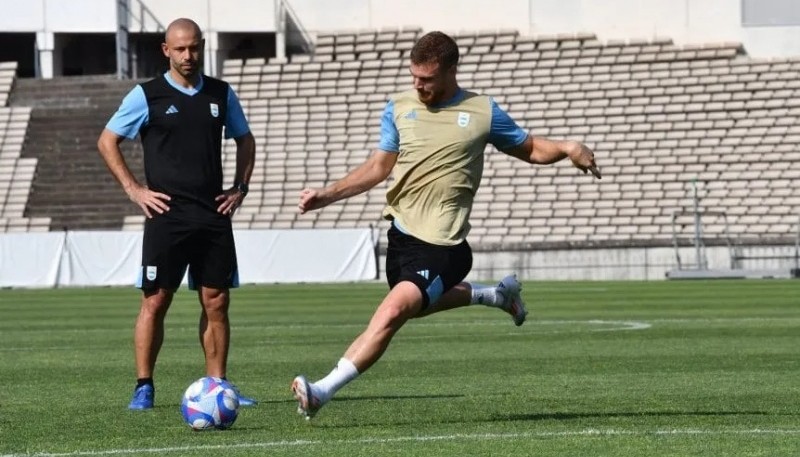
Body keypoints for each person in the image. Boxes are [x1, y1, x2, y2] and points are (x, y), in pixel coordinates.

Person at [291, 31, 601, 420]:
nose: (417, 85)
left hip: (445, 245)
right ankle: (494, 296)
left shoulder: (483, 111)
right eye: (413, 77)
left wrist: (570, 147)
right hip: (401, 235)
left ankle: (321, 390)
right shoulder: (399, 107)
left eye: (427, 79)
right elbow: (378, 167)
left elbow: (531, 148)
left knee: (392, 311)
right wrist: (327, 194)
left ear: (451, 71)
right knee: (412, 307)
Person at [97, 18, 258, 410]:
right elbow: (107, 141)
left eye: (195, 48)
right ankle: (144, 385)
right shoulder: (145, 95)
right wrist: (135, 190)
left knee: (216, 300)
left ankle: (218, 386)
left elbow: (245, 139)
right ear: (166, 50)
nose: (189, 56)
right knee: (155, 300)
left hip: (212, 213)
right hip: (166, 214)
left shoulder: (221, 93)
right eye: (180, 49)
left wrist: (239, 188)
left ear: (202, 47)